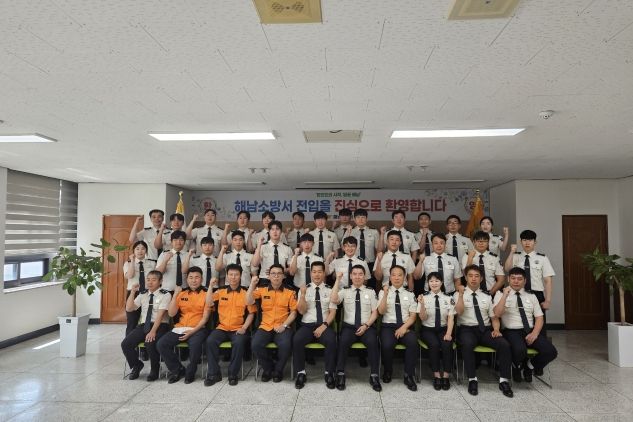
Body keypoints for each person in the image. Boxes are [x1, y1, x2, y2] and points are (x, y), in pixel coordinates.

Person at [454, 265, 513, 398]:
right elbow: (459, 312)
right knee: (467, 344)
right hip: (466, 329)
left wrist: (496, 329)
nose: (473, 279)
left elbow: (494, 317)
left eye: (477, 276)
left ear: (481, 279)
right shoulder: (458, 294)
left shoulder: (486, 296)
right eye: (470, 276)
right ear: (465, 278)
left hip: (485, 329)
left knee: (504, 344)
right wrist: (461, 295)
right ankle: (472, 379)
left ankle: (504, 380)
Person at [493, 267, 558, 382]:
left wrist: (535, 333)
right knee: (520, 350)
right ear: (508, 279)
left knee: (551, 351)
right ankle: (516, 366)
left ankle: (529, 366)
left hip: (530, 330)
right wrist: (504, 296)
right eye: (513, 278)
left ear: (525, 281)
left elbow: (539, 317)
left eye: (519, 279)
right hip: (511, 331)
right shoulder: (500, 294)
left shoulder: (531, 296)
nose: (516, 281)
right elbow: (497, 314)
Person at [204, 264, 257, 386]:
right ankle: (214, 374)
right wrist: (210, 287)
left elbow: (251, 313)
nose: (233, 277)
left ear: (240, 276)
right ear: (227, 276)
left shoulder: (246, 293)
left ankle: (233, 374)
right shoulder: (221, 291)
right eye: (231, 275)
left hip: (238, 328)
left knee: (238, 343)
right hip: (222, 328)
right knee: (210, 341)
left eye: (236, 275)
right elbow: (209, 303)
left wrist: (244, 328)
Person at [157, 267, 212, 384]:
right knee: (161, 344)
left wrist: (192, 332)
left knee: (195, 345)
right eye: (191, 277)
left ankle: (190, 373)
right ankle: (177, 370)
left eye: (197, 277)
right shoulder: (182, 294)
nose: (194, 280)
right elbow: (171, 313)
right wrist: (175, 295)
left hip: (198, 328)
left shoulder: (206, 294)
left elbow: (205, 318)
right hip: (180, 328)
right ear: (187, 279)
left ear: (202, 279)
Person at [330, 266, 382, 391]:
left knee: (373, 342)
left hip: (367, 326)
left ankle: (374, 375)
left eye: (360, 274)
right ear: (350, 276)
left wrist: (366, 326)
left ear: (364, 276)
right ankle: (340, 374)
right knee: (343, 342)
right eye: (354, 274)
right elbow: (334, 299)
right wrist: (338, 280)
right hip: (349, 327)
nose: (357, 277)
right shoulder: (345, 290)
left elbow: (375, 312)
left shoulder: (370, 291)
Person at [247, 264, 298, 382]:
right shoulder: (262, 289)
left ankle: (278, 370)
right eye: (273, 274)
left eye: (279, 274)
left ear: (283, 276)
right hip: (265, 326)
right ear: (269, 276)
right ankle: (268, 368)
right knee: (255, 344)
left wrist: (284, 325)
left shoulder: (290, 292)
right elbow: (248, 301)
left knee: (286, 345)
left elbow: (294, 313)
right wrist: (252, 285)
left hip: (283, 326)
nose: (276, 276)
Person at [292, 262, 338, 389]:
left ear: (324, 273)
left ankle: (329, 373)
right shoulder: (304, 289)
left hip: (324, 325)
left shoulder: (330, 290)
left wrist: (324, 325)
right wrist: (302, 295)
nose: (317, 274)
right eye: (314, 272)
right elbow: (301, 311)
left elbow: (332, 312)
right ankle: (301, 373)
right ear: (310, 273)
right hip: (307, 325)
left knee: (331, 340)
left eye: (319, 272)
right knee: (297, 339)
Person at [121, 270, 171, 382]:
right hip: (144, 325)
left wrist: (153, 331)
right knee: (126, 344)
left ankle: (155, 368)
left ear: (160, 281)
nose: (150, 282)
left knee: (150, 342)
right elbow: (129, 308)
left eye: (153, 280)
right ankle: (137, 365)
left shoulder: (166, 294)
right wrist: (133, 292)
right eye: (148, 279)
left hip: (160, 325)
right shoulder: (143, 294)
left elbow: (160, 315)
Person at [504, 229, 555, 334]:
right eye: (524, 240)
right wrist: (512, 252)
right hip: (519, 293)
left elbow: (547, 280)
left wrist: (548, 300)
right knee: (520, 321)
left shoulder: (542, 258)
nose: (527, 243)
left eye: (530, 240)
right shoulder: (516, 256)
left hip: (536, 294)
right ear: (520, 242)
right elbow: (507, 268)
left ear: (535, 242)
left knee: (539, 325)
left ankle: (539, 341)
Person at [377, 265, 419, 391]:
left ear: (404, 277)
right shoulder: (382, 292)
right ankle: (388, 370)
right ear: (390, 277)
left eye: (400, 275)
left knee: (413, 342)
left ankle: (408, 375)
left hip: (406, 325)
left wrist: (404, 328)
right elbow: (381, 311)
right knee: (387, 345)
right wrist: (385, 295)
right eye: (393, 275)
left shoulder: (410, 294)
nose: (396, 278)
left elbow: (413, 316)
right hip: (388, 326)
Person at [417, 272, 455, 390]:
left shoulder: (449, 298)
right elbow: (422, 318)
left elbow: (451, 318)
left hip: (444, 329)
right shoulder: (423, 297)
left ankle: (446, 376)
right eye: (431, 281)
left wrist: (448, 333)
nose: (434, 283)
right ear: (428, 283)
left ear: (441, 282)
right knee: (434, 344)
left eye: (437, 281)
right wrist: (422, 305)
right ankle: (437, 375)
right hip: (428, 329)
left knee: (447, 344)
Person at [123, 240, 156, 335]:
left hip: (148, 294)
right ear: (133, 251)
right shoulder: (128, 263)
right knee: (132, 321)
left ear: (146, 251)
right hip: (134, 293)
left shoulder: (152, 263)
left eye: (143, 249)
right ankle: (129, 341)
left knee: (149, 320)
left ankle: (146, 341)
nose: (140, 251)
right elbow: (130, 276)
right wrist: (133, 261)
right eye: (137, 249)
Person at [461, 231, 505, 296]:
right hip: (472, 293)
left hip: (491, 292)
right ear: (474, 242)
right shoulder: (467, 256)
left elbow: (501, 279)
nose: (481, 243)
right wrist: (470, 258)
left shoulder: (494, 257)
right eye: (479, 241)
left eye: (484, 241)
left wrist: (490, 294)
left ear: (488, 243)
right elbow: (465, 274)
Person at [251, 220, 293, 286]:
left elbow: (292, 269)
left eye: (277, 229)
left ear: (281, 232)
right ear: (269, 232)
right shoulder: (262, 247)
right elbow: (255, 264)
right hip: (265, 279)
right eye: (272, 229)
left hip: (282, 280)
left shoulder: (287, 248)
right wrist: (259, 246)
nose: (275, 231)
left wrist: (284, 270)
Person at [350, 209, 381, 288]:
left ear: (367, 219)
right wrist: (348, 233)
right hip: (355, 264)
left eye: (363, 217)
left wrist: (376, 265)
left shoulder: (374, 232)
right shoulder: (350, 231)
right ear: (354, 219)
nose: (360, 219)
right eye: (358, 217)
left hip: (370, 264)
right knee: (354, 287)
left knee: (370, 287)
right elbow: (344, 248)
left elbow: (379, 249)